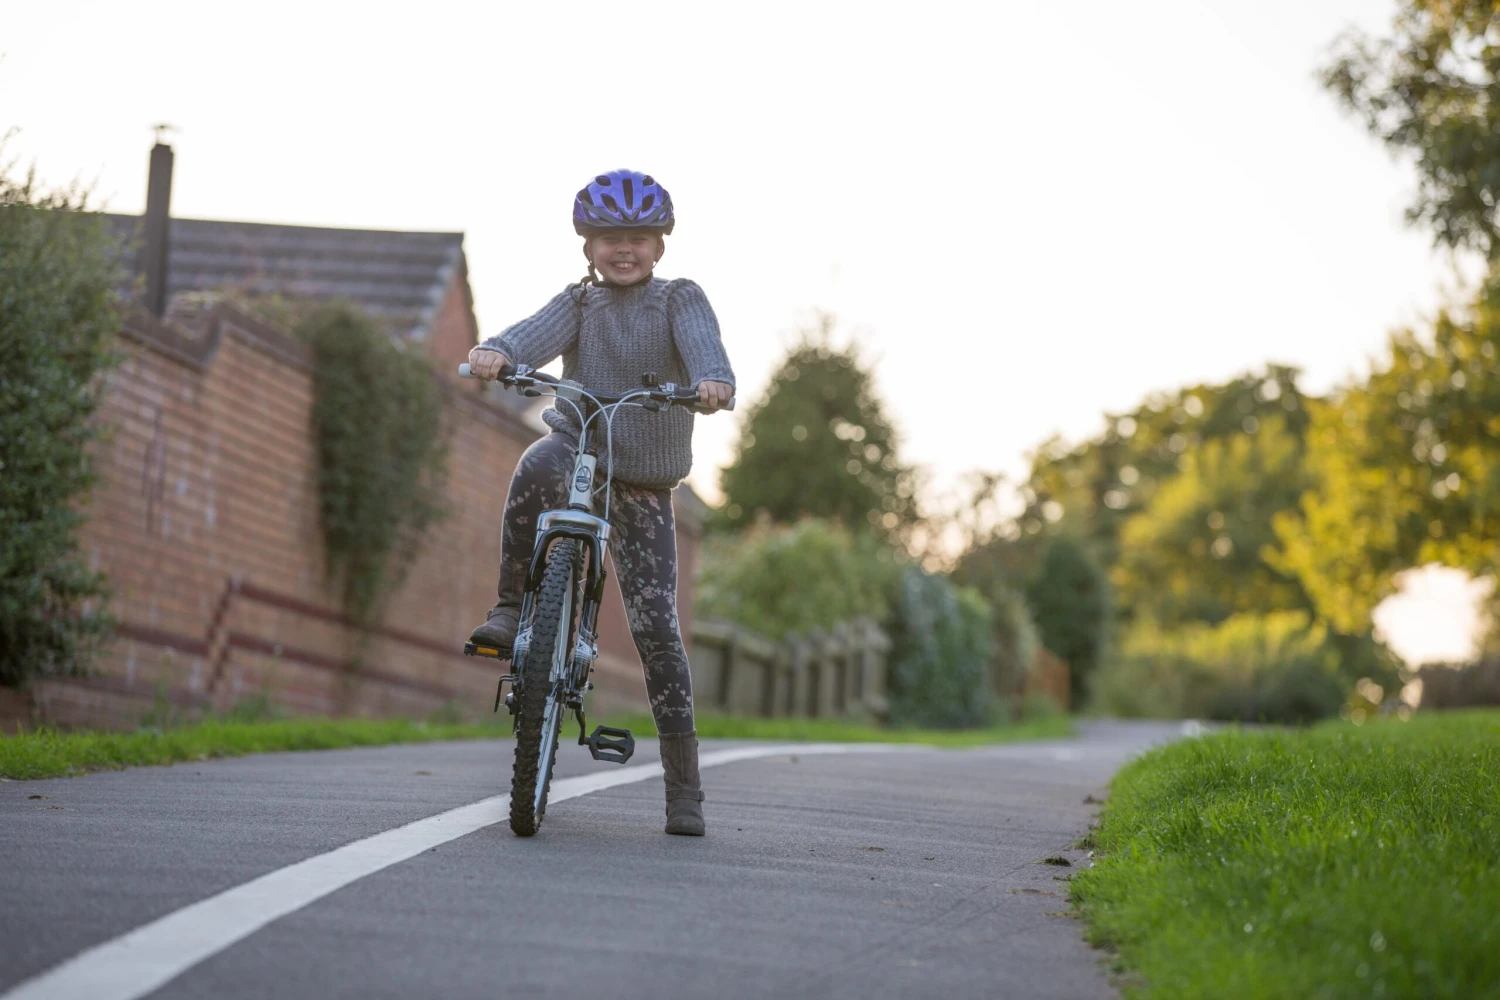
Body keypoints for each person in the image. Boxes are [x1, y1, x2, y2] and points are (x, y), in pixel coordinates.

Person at [465, 169, 734, 837]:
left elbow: (706, 350)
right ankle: (509, 609)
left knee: (656, 628)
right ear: (588, 246)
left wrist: (713, 382)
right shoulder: (580, 303)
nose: (624, 250)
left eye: (638, 238)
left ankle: (684, 789)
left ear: (660, 247)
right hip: (578, 452)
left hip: (644, 482)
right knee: (534, 467)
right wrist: (496, 351)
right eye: (609, 238)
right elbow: (530, 335)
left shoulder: (678, 300)